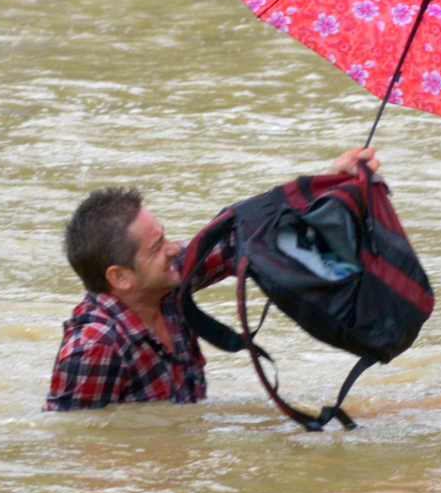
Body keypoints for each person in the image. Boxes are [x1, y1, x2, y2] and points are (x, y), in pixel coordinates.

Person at [44, 147, 380, 411]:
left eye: (165, 236)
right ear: (119, 277)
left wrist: (329, 186)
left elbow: (246, 240)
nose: (175, 249)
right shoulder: (92, 347)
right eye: (157, 246)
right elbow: (78, 446)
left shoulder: (166, 284)